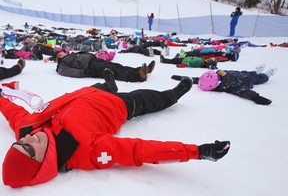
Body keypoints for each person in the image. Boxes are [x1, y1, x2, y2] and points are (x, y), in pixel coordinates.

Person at [0, 70, 231, 188]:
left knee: (105, 85)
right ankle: (178, 92)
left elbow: (10, 111)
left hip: (88, 92)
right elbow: (138, 151)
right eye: (29, 150)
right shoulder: (83, 150)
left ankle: (110, 81)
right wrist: (196, 152)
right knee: (155, 99)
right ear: (42, 165)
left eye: (19, 143)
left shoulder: (27, 127)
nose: (27, 140)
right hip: (120, 106)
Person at [172, 64, 278, 105]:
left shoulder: (216, 75)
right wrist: (257, 98)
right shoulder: (228, 87)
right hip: (248, 80)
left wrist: (181, 77)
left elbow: (196, 79)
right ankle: (267, 75)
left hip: (242, 73)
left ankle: (256, 70)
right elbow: (244, 92)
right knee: (260, 78)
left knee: (252, 72)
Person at [56, 51, 155, 82]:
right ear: (58, 58)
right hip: (90, 67)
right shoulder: (62, 64)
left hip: (93, 60)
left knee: (116, 65)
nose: (63, 54)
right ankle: (138, 76)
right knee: (113, 71)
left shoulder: (70, 55)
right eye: (60, 54)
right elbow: (68, 72)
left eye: (62, 52)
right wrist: (83, 73)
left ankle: (140, 70)